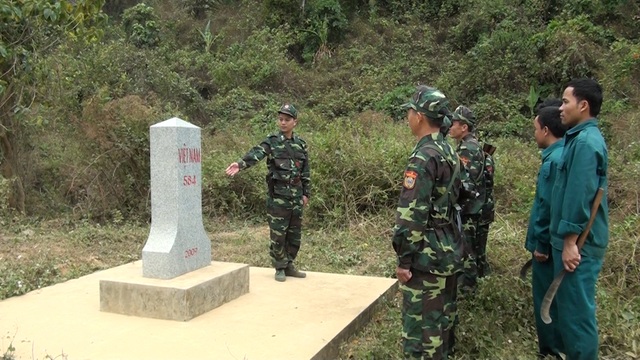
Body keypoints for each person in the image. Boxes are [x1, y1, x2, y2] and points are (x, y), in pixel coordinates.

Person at [392, 85, 464, 359]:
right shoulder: (448, 150)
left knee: (421, 334)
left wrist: (404, 260)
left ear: (420, 116)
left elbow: (412, 215)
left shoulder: (423, 157)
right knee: (441, 325)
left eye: (409, 112)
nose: (408, 117)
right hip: (448, 250)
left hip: (426, 257)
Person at [549, 78, 608, 359]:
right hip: (573, 242)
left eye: (565, 101)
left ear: (583, 106)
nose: (561, 108)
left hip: (580, 244)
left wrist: (571, 240)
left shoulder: (585, 143)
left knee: (576, 317)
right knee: (569, 313)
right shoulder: (578, 139)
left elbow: (580, 193)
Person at [225, 104, 311, 282]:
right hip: (278, 197)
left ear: (295, 122)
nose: (283, 122)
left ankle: (289, 265)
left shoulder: (300, 144)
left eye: (287, 120)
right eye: (280, 119)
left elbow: (305, 171)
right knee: (278, 234)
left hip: (296, 196)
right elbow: (257, 153)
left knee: (294, 235)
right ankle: (279, 267)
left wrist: (305, 194)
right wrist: (240, 164)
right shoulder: (272, 141)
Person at [525, 98, 567, 359]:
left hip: (547, 246)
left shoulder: (553, 162)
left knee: (546, 298)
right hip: (559, 242)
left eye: (535, 129)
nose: (535, 135)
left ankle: (550, 349)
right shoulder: (564, 153)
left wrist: (541, 243)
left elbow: (546, 207)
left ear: (546, 131)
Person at [448, 105, 486, 294]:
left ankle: (468, 289)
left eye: (454, 123)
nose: (450, 126)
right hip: (472, 207)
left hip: (469, 208)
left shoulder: (467, 149)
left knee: (467, 250)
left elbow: (466, 183)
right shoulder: (469, 145)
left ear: (464, 127)